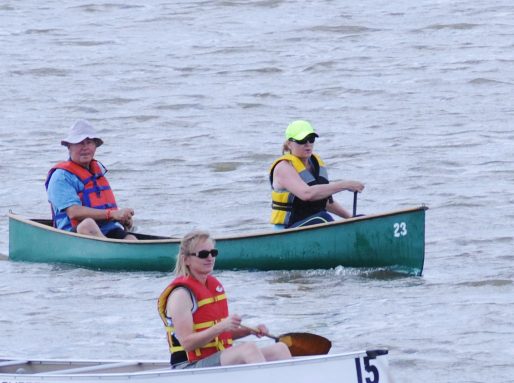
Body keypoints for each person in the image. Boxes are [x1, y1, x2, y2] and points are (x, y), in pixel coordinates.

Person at [158, 230, 292, 368]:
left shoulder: (212, 287)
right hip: (187, 365)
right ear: (186, 260)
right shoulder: (181, 294)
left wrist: (249, 330)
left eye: (213, 253)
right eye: (203, 254)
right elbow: (187, 343)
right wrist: (222, 326)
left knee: (279, 349)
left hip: (214, 357)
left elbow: (219, 336)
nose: (210, 258)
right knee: (248, 349)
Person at [45, 119, 138, 241]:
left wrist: (124, 219)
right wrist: (112, 214)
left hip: (105, 230)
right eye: (79, 143)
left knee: (130, 238)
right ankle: (110, 252)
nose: (85, 148)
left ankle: (126, 254)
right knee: (88, 224)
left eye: (89, 142)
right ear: (69, 147)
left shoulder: (97, 170)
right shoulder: (60, 177)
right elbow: (74, 212)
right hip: (72, 234)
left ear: (95, 146)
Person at [270, 120, 364, 229]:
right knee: (323, 218)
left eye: (311, 139)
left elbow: (326, 203)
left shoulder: (315, 164)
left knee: (361, 219)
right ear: (289, 144)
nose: (307, 144)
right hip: (288, 230)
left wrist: (351, 218)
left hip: (312, 225)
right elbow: (307, 194)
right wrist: (344, 185)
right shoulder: (283, 167)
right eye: (302, 141)